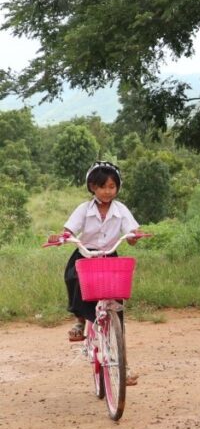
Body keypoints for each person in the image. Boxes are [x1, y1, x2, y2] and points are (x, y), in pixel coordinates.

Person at [57, 161, 142, 385]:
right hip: (85, 255)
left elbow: (132, 233)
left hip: (109, 256)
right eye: (102, 186)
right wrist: (63, 236)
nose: (108, 191)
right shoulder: (84, 209)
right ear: (92, 187)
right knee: (73, 278)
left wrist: (134, 236)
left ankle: (123, 365)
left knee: (118, 306)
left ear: (117, 188)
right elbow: (69, 230)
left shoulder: (121, 210)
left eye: (112, 186)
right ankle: (79, 321)